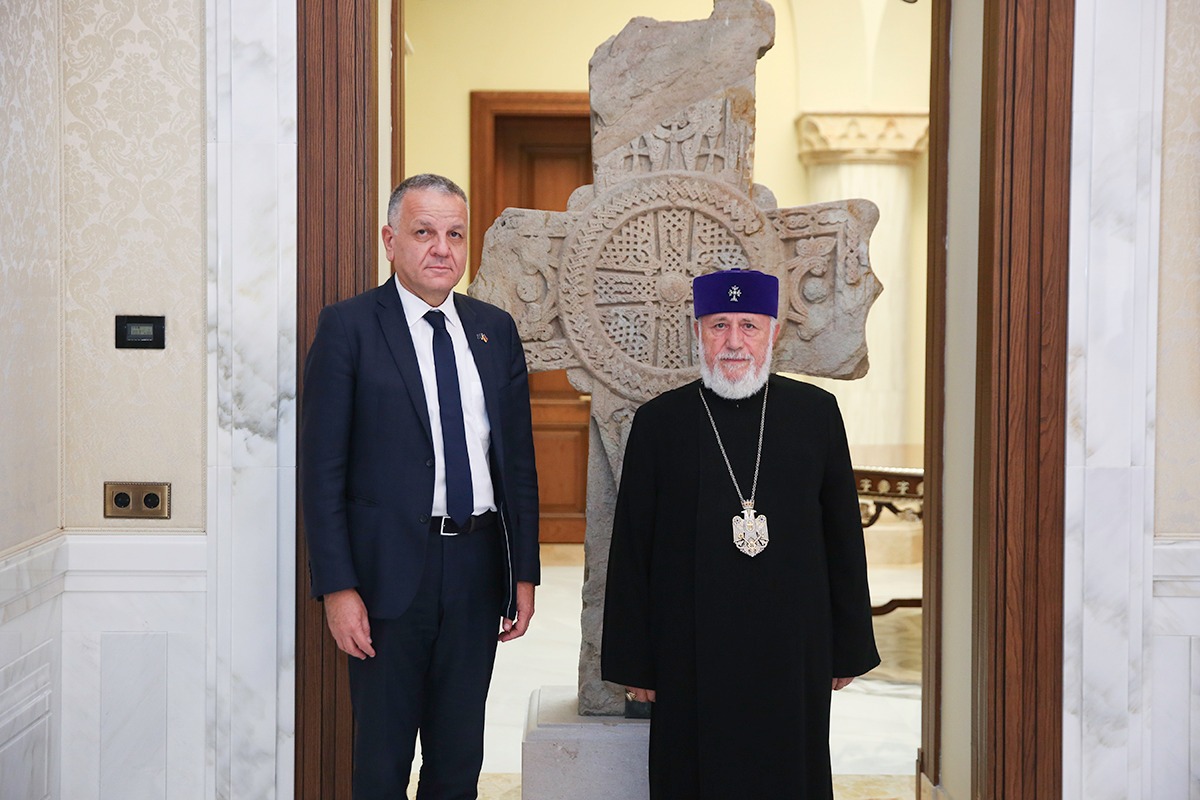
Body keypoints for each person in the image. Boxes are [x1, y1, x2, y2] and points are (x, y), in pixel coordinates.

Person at [300, 173, 539, 799]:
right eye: (424, 232)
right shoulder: (348, 328)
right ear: (390, 241)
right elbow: (321, 472)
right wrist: (337, 588)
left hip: (476, 566)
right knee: (381, 764)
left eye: (455, 234)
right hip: (385, 577)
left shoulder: (494, 330)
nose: (442, 248)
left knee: (458, 759)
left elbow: (517, 465)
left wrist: (524, 571)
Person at [601, 268, 880, 799]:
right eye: (718, 325)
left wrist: (847, 645)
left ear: (774, 333)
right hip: (688, 648)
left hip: (791, 646)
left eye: (749, 326)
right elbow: (634, 546)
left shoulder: (815, 414)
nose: (733, 342)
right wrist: (634, 659)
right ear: (698, 331)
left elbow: (843, 535)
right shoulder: (660, 422)